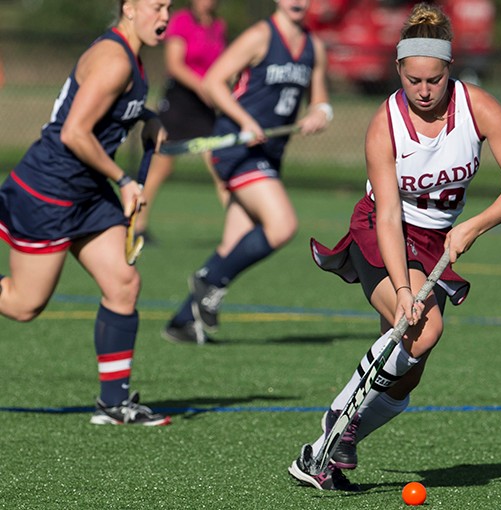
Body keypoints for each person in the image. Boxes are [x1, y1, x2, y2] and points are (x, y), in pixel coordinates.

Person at [287, 2, 501, 491]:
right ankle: (337, 422)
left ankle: (325, 454)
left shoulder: (478, 108)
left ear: (450, 71)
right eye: (413, 80)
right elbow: (386, 214)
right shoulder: (385, 123)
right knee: (424, 329)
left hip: (438, 241)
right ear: (398, 70)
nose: (423, 91)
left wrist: (474, 226)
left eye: (434, 80)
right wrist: (403, 287)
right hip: (383, 230)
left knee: (407, 375)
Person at [0, 0, 172, 425]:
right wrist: (125, 179)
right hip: (49, 192)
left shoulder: (133, 55)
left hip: (87, 195)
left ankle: (113, 404)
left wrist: (147, 117)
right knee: (23, 306)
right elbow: (75, 131)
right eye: (156, 6)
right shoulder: (114, 58)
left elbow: (112, 111)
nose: (165, 16)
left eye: (169, 6)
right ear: (129, 8)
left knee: (123, 283)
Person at [162, 0, 333, 344]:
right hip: (236, 147)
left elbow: (320, 98)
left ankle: (182, 322)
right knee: (282, 226)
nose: (297, 2)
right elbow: (213, 82)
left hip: (270, 152)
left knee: (233, 244)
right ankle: (210, 282)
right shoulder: (259, 36)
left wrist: (320, 113)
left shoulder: (314, 46)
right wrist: (245, 121)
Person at [134, 0, 227, 241]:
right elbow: (174, 65)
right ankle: (138, 225)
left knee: (220, 163)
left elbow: (221, 65)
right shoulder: (182, 21)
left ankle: (241, 226)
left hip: (205, 105)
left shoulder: (218, 26)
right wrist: (204, 87)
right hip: (180, 101)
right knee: (161, 166)